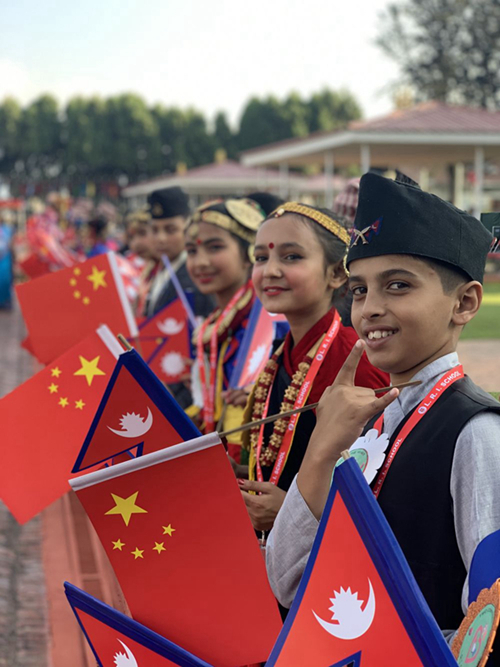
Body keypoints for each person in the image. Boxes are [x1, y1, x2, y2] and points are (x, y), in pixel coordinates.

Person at [265, 173, 500, 641]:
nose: (369, 308)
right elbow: (288, 580)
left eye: (397, 285)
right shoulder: (372, 421)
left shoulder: (474, 432)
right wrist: (321, 450)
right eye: (359, 290)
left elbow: (488, 621)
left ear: (465, 302)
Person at [237, 202, 389, 538]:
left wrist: (291, 510)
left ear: (336, 274)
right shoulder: (283, 354)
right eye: (260, 258)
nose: (270, 270)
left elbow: (375, 483)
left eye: (291, 257)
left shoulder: (356, 361)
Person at [185, 198, 264, 462]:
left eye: (215, 247)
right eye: (191, 251)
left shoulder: (267, 321)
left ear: (249, 253)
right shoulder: (215, 322)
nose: (200, 262)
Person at [144, 186, 213, 319]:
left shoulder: (196, 275)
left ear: (188, 228)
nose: (161, 239)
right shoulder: (159, 269)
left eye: (170, 230)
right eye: (154, 230)